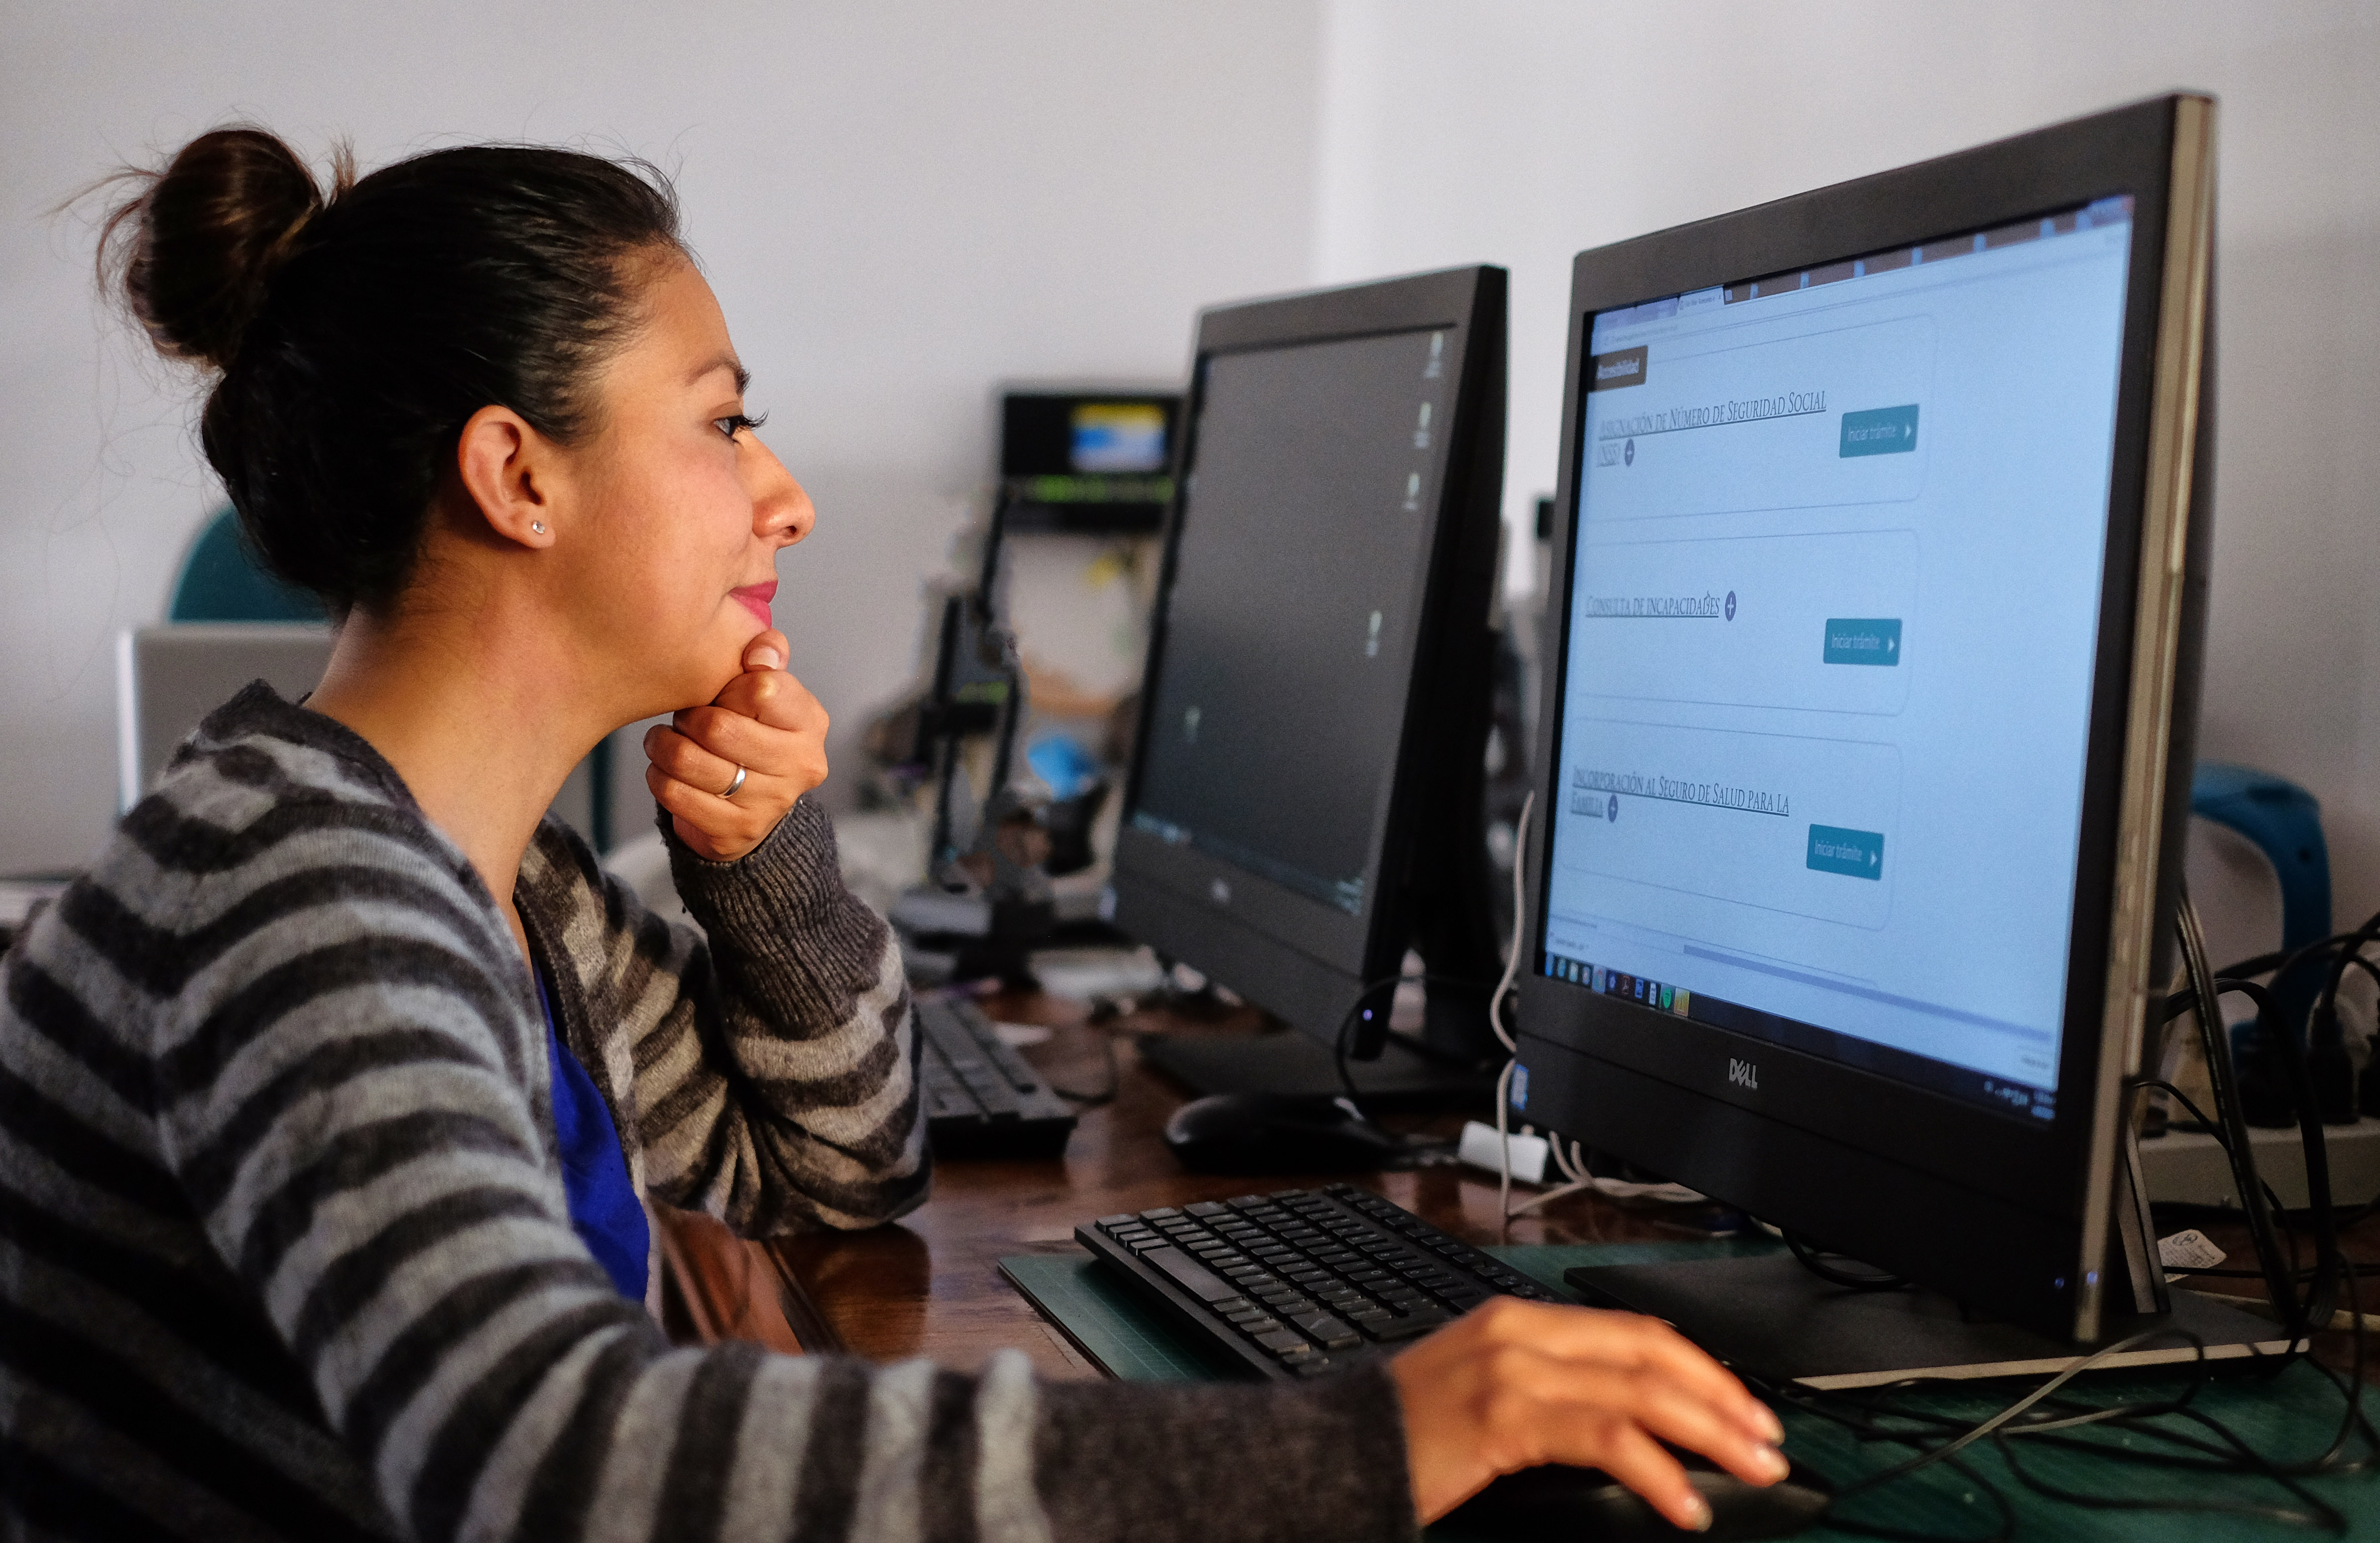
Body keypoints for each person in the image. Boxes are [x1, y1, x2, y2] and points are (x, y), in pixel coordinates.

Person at [0, 128, 1789, 1542]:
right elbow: (547, 1459)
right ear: (517, 476)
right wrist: (1363, 1443)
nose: (779, 494)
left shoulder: (495, 879)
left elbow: (835, 1172)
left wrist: (764, 858)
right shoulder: (303, 903)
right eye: (722, 421)